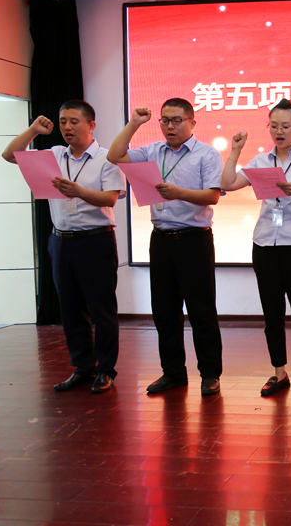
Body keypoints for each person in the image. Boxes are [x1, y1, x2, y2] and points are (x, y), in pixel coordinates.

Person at [2, 101, 125, 394]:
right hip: (60, 241)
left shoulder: (108, 157)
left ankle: (105, 370)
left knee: (102, 310)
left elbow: (110, 198)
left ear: (91, 125)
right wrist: (33, 130)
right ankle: (83, 367)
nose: (67, 127)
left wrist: (79, 192)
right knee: (70, 309)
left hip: (95, 240)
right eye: (63, 122)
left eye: (74, 121)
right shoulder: (55, 154)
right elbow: (9, 155)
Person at [107, 98, 224, 396]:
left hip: (194, 239)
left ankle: (210, 373)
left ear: (192, 122)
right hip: (160, 239)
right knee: (164, 310)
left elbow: (212, 196)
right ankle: (173, 373)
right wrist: (135, 123)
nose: (170, 126)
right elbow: (114, 155)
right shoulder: (152, 151)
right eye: (165, 120)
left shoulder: (207, 154)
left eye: (177, 120)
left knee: (201, 311)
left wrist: (178, 193)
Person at [220, 99, 291, 398]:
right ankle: (279, 372)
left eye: (286, 126)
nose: (279, 132)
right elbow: (227, 182)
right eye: (274, 126)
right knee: (272, 314)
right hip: (265, 244)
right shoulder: (261, 161)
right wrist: (236, 150)